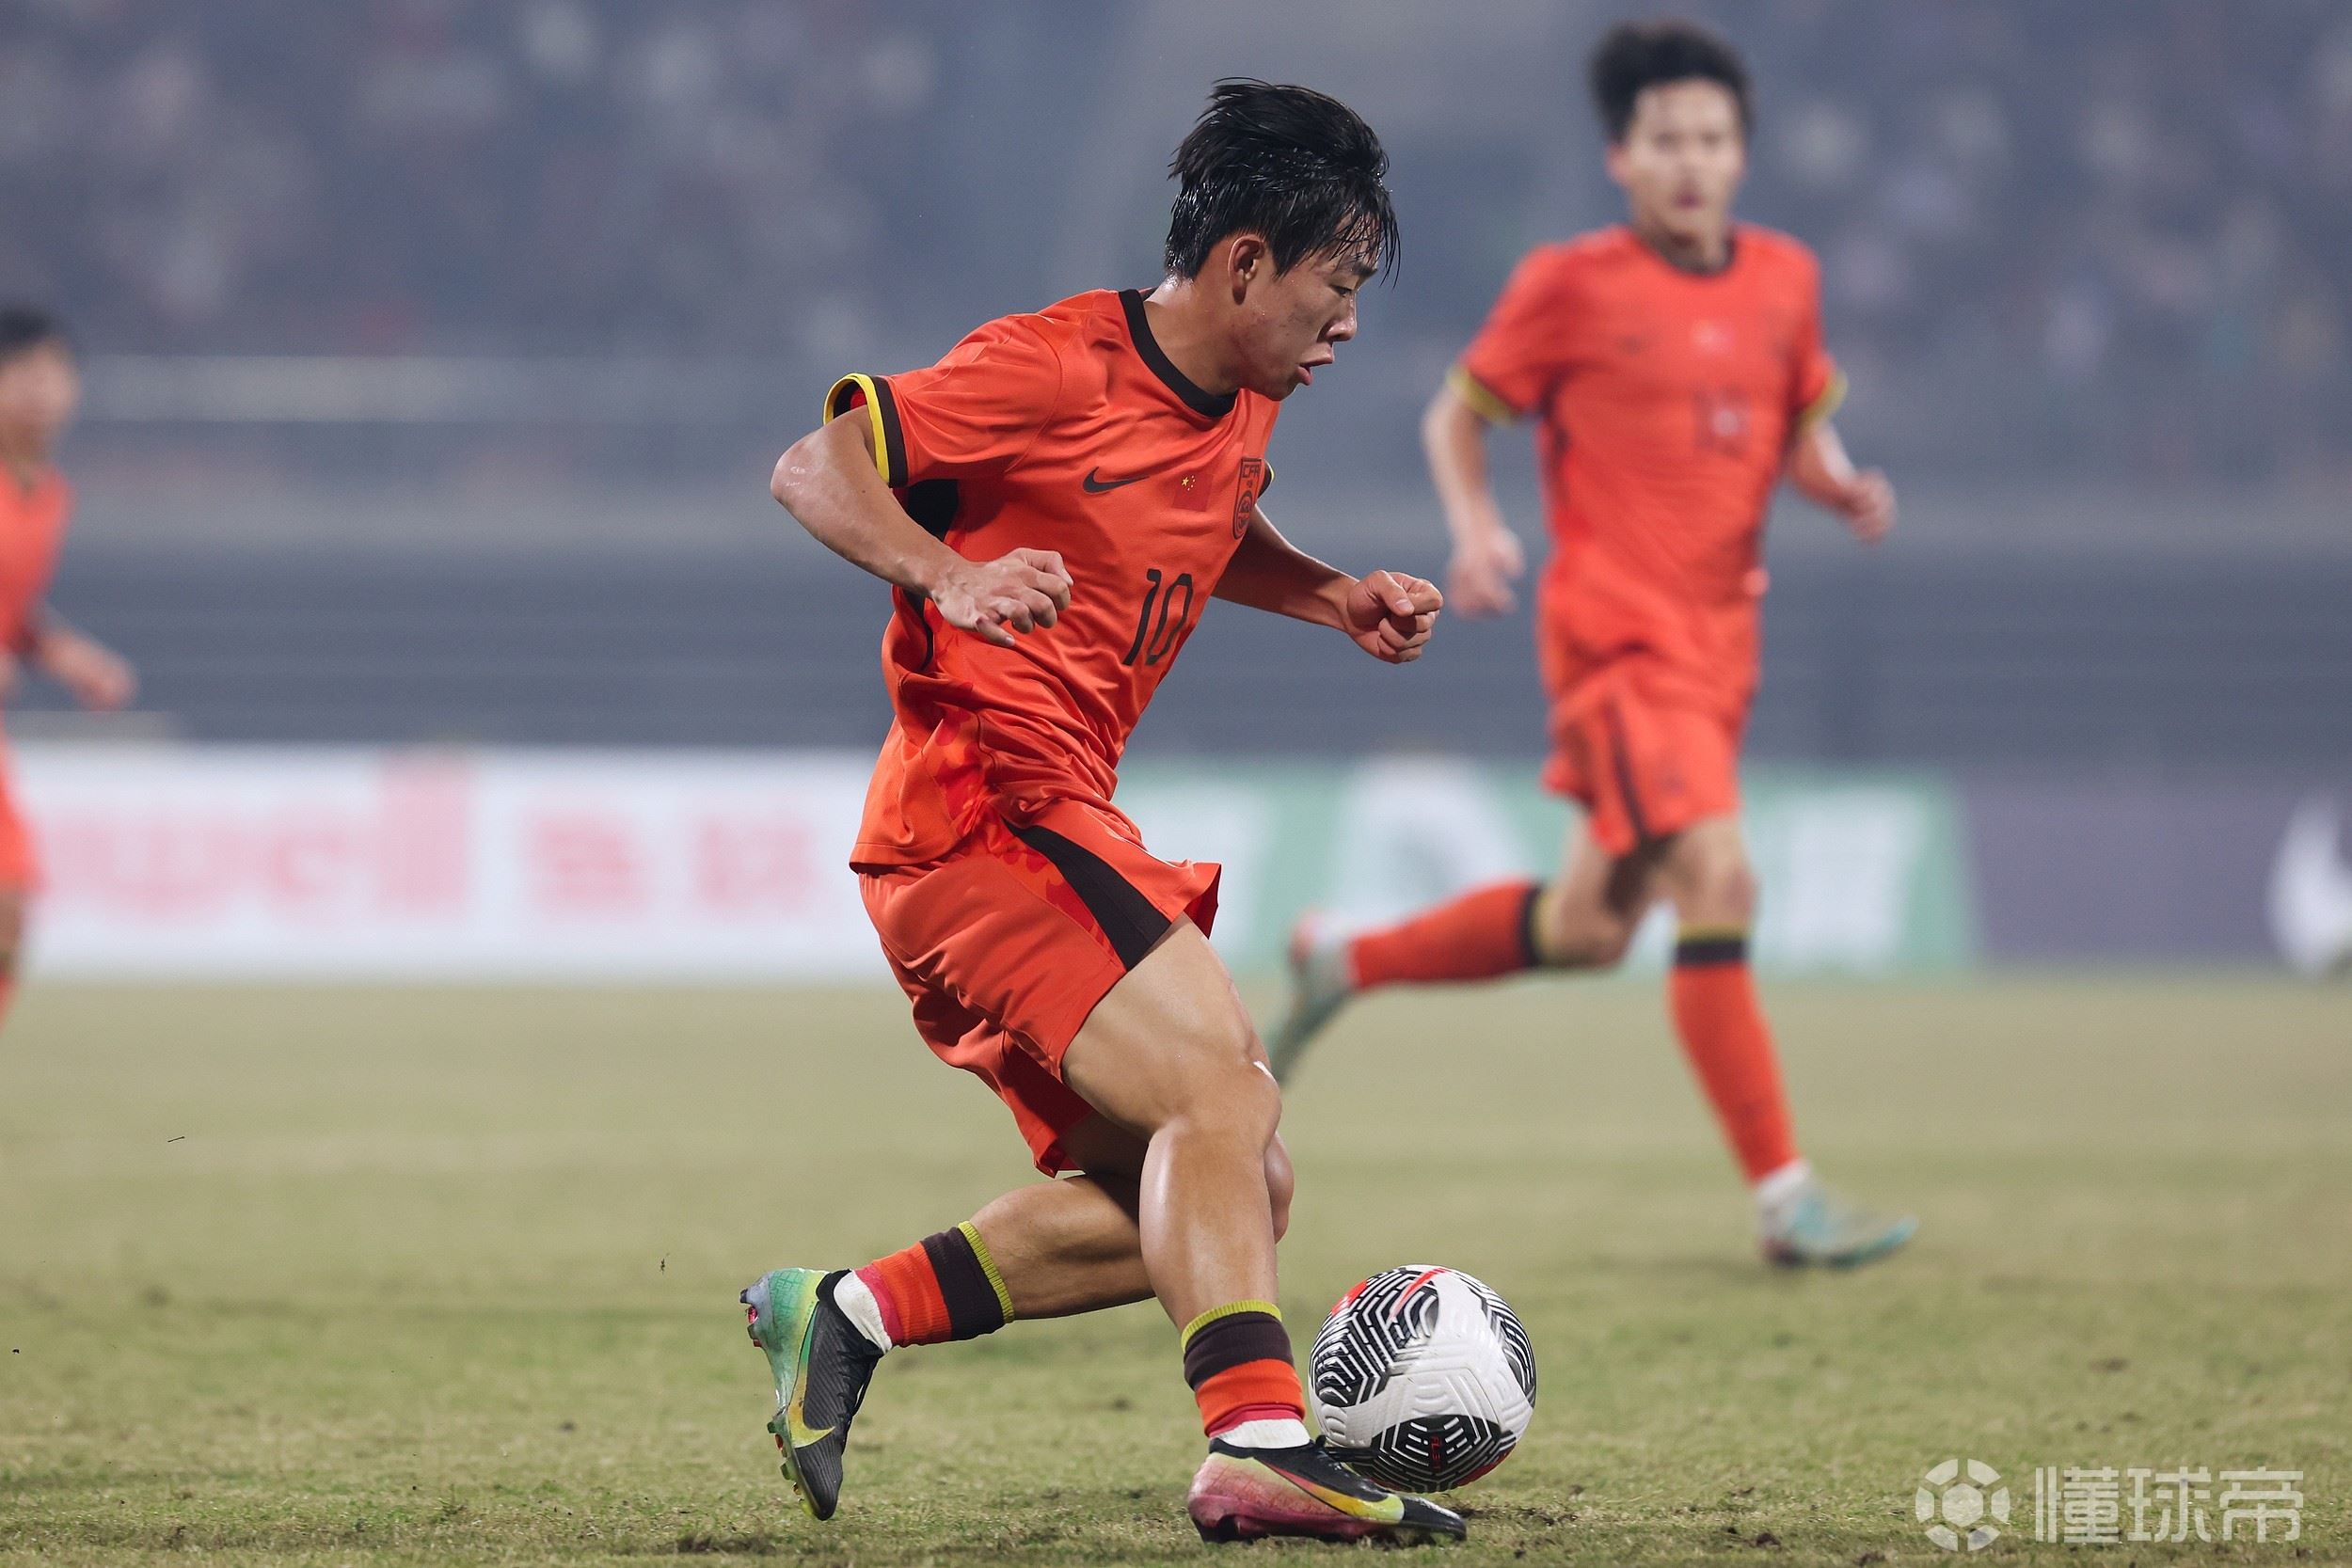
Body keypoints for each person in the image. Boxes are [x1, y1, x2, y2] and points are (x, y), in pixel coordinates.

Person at [750, 82, 1462, 1543]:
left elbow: (1204, 515)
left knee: (1229, 1183)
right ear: (1245, 263)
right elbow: (813, 466)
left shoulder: (1246, 395)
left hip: (1029, 823)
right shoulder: (1047, 366)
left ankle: (847, 1311)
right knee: (1225, 1095)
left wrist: (1329, 593)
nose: (1346, 325)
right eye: (1335, 286)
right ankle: (1257, 1442)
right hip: (983, 809)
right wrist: (949, 575)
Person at [1268, 22, 1915, 1270]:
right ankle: (1784, 1195)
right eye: (1666, 139)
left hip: (1721, 649)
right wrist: (1478, 530)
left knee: (1590, 927)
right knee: (1719, 882)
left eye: (1711, 139)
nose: (1691, 161)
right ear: (1622, 157)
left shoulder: (1784, 279)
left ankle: (1345, 958)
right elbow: (1457, 415)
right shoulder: (1571, 283)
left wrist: (1837, 484)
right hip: (1619, 641)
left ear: (1741, 154)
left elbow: (1793, 424)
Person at [0, 308, 139, 1033]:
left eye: (54, 373)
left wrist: (62, 651)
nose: (39, 390)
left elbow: (12, 610)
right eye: (19, 372)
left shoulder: (47, 493)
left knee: (11, 907)